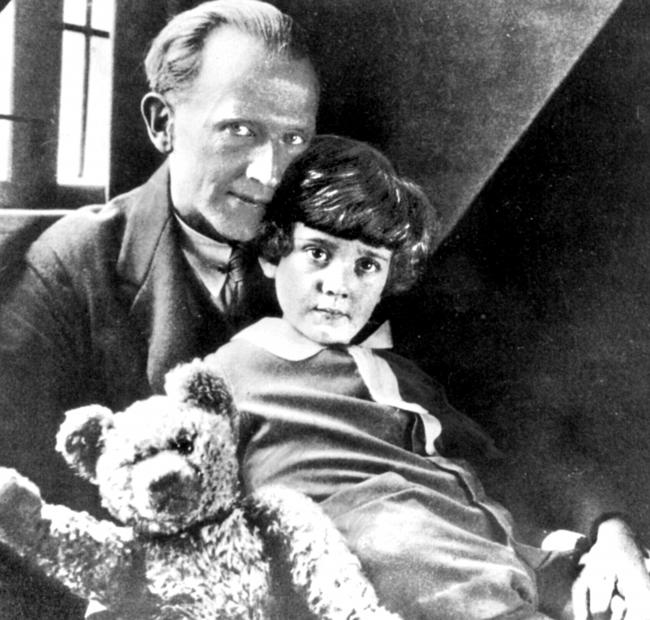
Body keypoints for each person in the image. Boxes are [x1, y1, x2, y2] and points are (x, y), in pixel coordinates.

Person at [204, 135, 650, 620]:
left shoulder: (398, 374)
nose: (339, 284)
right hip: (385, 566)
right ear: (272, 254)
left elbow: (502, 469)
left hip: (487, 559)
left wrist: (609, 531)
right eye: (317, 253)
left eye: (367, 265)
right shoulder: (225, 374)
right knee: (394, 538)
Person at [0, 0, 319, 517]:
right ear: (161, 123)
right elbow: (20, 505)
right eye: (239, 130)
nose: (269, 172)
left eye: (293, 138)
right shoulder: (65, 268)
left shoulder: (322, 260)